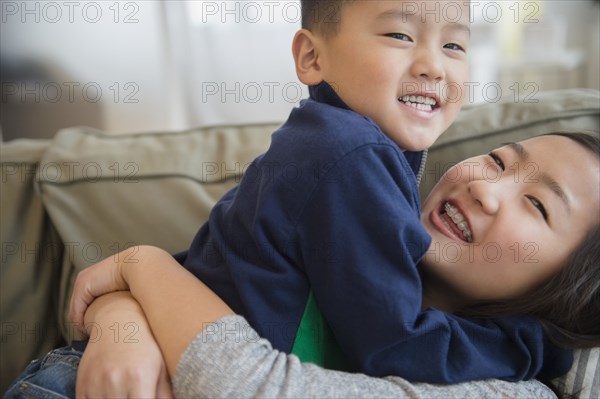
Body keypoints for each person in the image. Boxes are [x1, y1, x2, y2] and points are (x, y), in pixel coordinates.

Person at [7, 132, 598, 398]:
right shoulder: (350, 221)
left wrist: (141, 266)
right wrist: (124, 315)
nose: (486, 188)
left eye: (539, 206)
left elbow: (254, 386)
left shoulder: (508, 386)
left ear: (568, 291)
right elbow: (215, 270)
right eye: (497, 160)